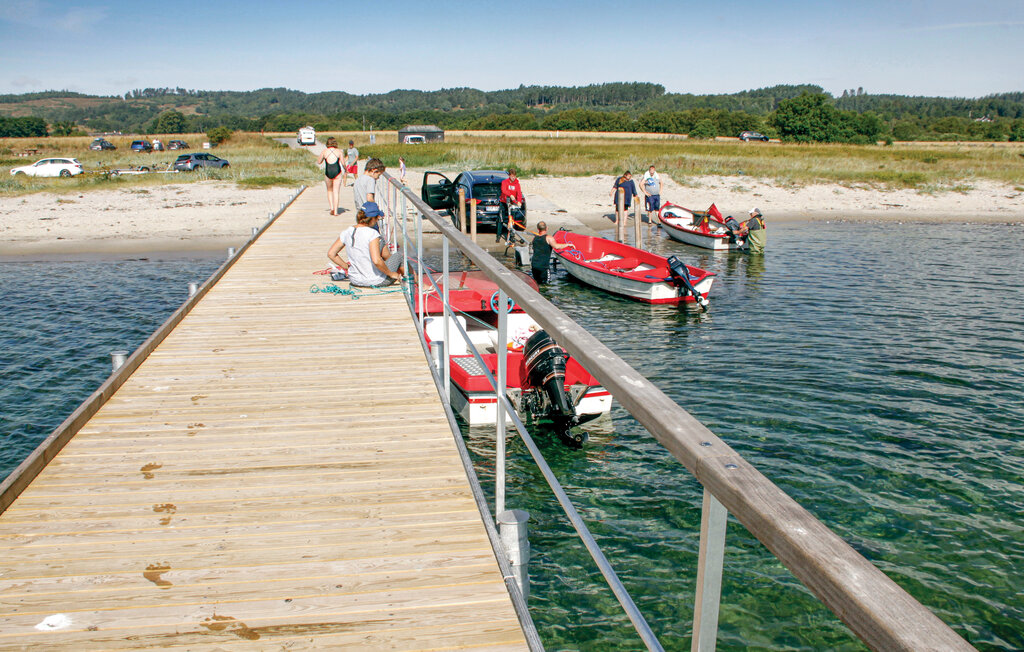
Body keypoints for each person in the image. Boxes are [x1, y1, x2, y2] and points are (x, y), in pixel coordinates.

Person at [328, 203, 403, 288]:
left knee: (381, 243)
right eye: (377, 218)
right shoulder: (372, 234)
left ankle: (389, 265)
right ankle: (411, 282)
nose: (377, 220)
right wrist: (391, 274)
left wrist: (347, 268)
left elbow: (331, 254)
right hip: (374, 281)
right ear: (372, 219)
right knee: (400, 256)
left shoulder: (347, 231)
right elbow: (376, 261)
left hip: (355, 280)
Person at [497, 168, 526, 243]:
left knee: (512, 219)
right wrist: (510, 195)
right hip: (504, 202)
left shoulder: (517, 184)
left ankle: (512, 235)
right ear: (509, 176)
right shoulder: (504, 182)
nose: (513, 178)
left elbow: (519, 193)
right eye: (512, 176)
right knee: (501, 219)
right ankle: (498, 235)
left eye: (514, 176)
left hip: (512, 203)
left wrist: (519, 201)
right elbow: (504, 190)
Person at [317, 137, 344, 216]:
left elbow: (319, 162)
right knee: (336, 191)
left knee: (329, 190)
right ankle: (336, 211)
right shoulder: (339, 151)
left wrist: (323, 158)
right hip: (337, 172)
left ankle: (331, 208)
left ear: (327, 143)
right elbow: (342, 163)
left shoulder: (324, 151)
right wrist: (346, 169)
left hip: (328, 171)